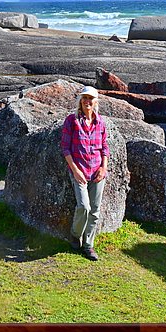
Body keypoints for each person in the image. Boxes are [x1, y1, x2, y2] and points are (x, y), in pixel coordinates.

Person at [60, 85, 109, 261]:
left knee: (95, 211)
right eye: (85, 98)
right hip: (79, 170)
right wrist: (75, 170)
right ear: (80, 101)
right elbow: (65, 148)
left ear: (96, 102)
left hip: (97, 171)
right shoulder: (72, 121)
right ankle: (75, 234)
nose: (87, 102)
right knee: (84, 207)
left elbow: (104, 147)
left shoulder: (101, 122)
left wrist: (103, 168)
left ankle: (88, 245)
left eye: (91, 99)